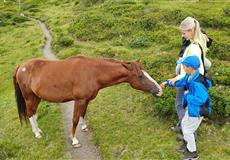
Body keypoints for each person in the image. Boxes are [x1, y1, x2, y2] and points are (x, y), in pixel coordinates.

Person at [161, 55, 212, 160]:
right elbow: (181, 82)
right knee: (184, 123)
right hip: (191, 108)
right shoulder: (190, 76)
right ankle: (186, 141)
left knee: (188, 131)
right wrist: (168, 82)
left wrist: (187, 95)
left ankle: (193, 153)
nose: (182, 67)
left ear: (190, 67)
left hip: (197, 111)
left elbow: (201, 99)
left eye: (184, 65)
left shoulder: (197, 83)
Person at [171, 16, 212, 133]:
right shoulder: (200, 40)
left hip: (189, 80)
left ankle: (188, 133)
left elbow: (191, 68)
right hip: (195, 80)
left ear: (192, 30)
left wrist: (178, 78)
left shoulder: (193, 47)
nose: (182, 36)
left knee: (180, 104)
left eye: (184, 33)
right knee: (187, 106)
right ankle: (183, 128)